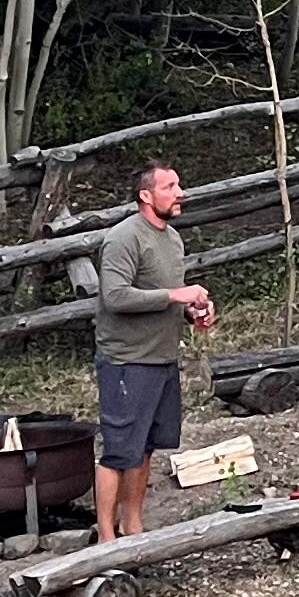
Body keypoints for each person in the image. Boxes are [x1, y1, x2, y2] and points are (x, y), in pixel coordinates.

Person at [91, 159, 214, 543]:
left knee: (145, 448)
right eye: (169, 187)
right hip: (127, 361)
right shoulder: (124, 238)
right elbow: (115, 297)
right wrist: (177, 294)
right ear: (146, 195)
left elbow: (163, 297)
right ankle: (106, 539)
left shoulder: (172, 239)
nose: (180, 193)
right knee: (119, 451)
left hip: (162, 358)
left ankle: (134, 527)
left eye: (178, 185)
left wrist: (193, 311)